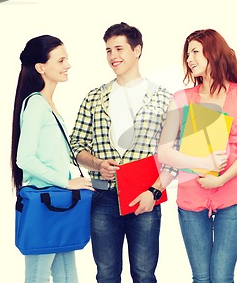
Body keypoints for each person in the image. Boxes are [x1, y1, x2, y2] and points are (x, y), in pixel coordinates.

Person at [69, 22, 174, 283]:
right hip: (103, 197)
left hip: (145, 197)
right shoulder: (94, 97)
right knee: (106, 274)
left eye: (119, 49)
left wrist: (154, 192)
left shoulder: (163, 98)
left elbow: (174, 155)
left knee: (144, 274)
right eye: (107, 50)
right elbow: (76, 145)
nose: (112, 56)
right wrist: (95, 162)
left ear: (137, 50)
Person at [157, 29, 237, 283]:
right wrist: (203, 164)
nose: (189, 59)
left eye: (195, 52)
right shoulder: (181, 99)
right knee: (202, 278)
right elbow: (164, 151)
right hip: (192, 197)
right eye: (187, 53)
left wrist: (220, 179)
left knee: (222, 277)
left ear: (213, 53)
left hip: (232, 195)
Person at [11, 35, 94, 283]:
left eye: (67, 58)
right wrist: (67, 182)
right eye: (61, 59)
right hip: (46, 201)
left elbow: (56, 154)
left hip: (58, 202)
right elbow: (24, 158)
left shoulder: (49, 104)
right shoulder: (36, 104)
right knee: (38, 276)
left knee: (68, 275)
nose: (67, 64)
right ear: (41, 68)